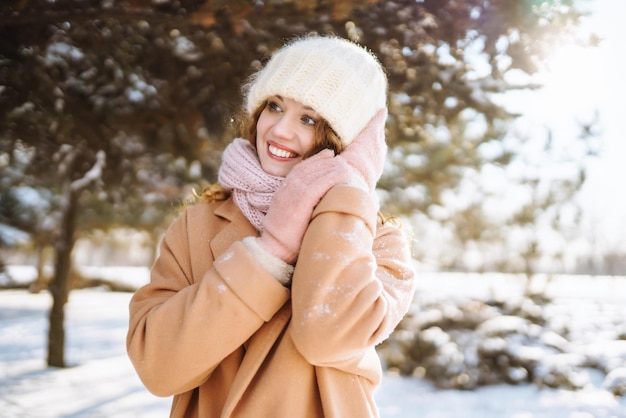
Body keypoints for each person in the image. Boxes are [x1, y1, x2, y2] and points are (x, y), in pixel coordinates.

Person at [126, 35, 416, 418]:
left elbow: (325, 338)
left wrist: (346, 190)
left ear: (344, 140)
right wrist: (271, 252)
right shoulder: (196, 226)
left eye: (309, 118)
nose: (279, 130)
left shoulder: (379, 242)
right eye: (274, 106)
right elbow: (158, 367)